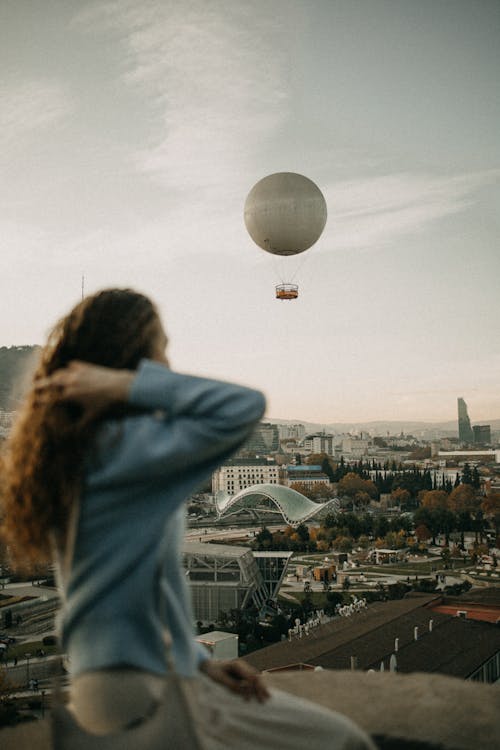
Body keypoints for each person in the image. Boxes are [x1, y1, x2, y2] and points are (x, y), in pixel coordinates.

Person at [1, 288, 374, 748]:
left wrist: (200, 665)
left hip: (120, 682)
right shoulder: (128, 447)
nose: (170, 362)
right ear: (136, 357)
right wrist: (128, 385)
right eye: (162, 347)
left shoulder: (67, 450)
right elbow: (246, 406)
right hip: (140, 688)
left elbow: (142, 590)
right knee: (343, 741)